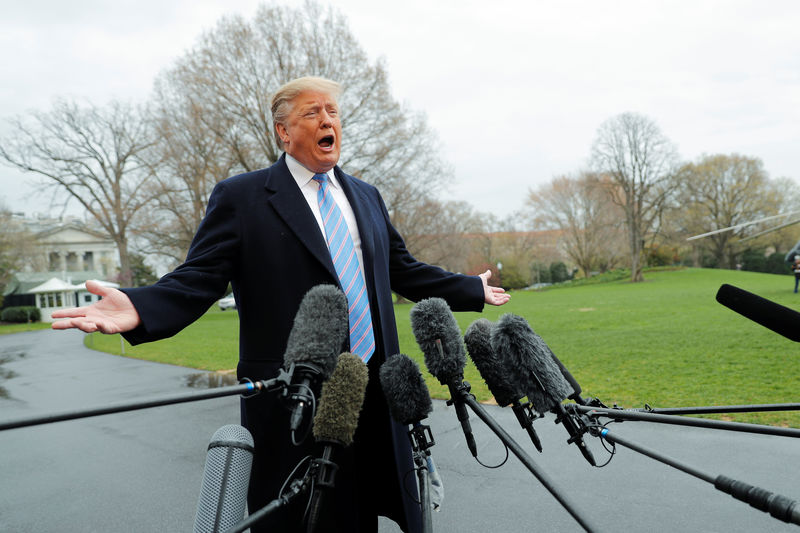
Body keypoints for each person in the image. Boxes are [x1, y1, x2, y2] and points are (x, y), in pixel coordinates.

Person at [52, 76, 509, 533]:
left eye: (332, 112)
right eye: (312, 113)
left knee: (363, 508)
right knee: (299, 518)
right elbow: (200, 276)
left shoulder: (365, 196)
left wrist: (469, 288)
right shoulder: (241, 197)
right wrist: (139, 305)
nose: (327, 120)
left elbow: (402, 268)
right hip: (294, 396)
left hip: (369, 388)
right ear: (283, 132)